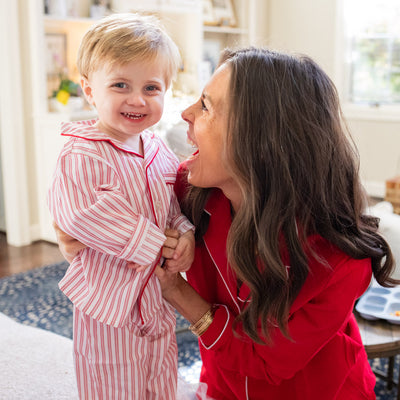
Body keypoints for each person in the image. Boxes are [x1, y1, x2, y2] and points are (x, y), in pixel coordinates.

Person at [55, 47, 398, 400]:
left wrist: (178, 291)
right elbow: (93, 208)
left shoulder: (339, 260)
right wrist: (72, 226)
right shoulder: (189, 190)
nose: (186, 113)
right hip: (220, 389)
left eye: (205, 106)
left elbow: (266, 362)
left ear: (261, 139)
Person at [47, 13, 194, 400]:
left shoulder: (159, 150)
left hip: (156, 298)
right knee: (113, 383)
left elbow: (172, 207)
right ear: (89, 91)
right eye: (120, 85)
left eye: (151, 87)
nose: (137, 99)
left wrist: (185, 236)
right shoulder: (81, 153)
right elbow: (80, 213)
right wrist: (154, 242)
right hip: (108, 302)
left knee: (161, 373)